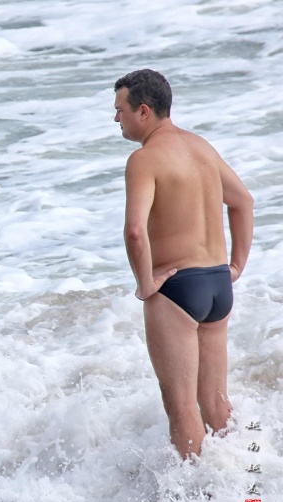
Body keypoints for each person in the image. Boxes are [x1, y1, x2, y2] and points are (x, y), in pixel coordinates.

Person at [114, 69, 254, 459]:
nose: (116, 118)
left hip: (177, 288)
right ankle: (243, 481)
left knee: (181, 408)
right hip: (217, 285)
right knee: (215, 401)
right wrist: (236, 265)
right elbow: (243, 201)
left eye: (120, 110)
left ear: (143, 111)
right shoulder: (201, 147)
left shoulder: (144, 159)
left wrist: (145, 284)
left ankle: (195, 492)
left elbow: (135, 232)